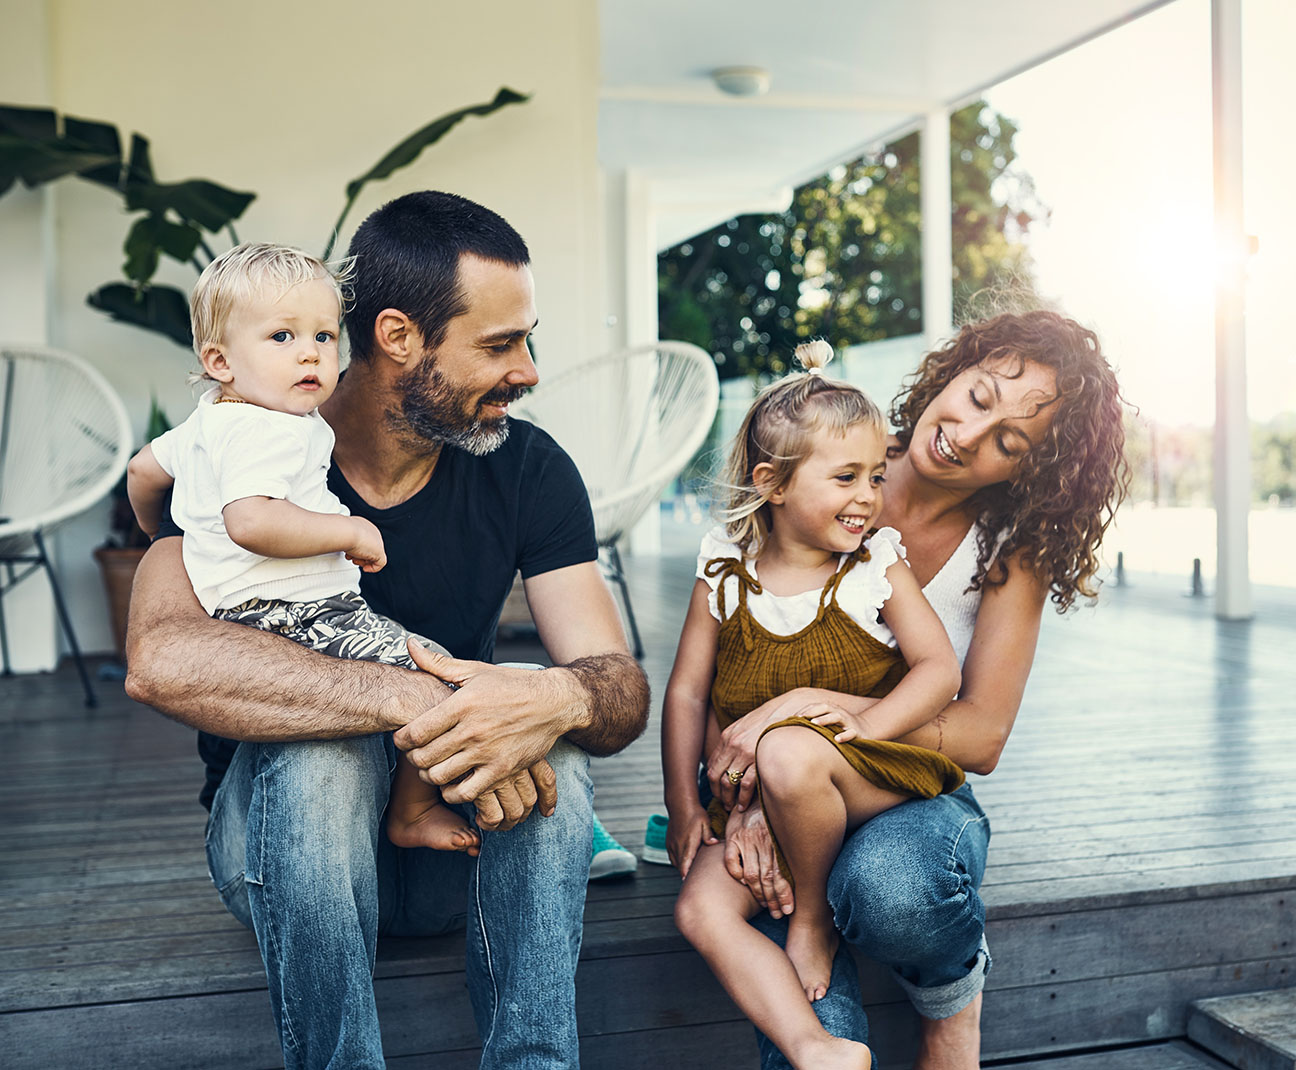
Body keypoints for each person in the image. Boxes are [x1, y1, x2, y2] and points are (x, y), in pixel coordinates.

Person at [124, 191, 651, 1070]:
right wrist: (419, 697)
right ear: (401, 337)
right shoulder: (245, 440)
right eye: (499, 344)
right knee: (325, 753)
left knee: (545, 740)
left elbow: (617, 688)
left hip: (458, 842)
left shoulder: (526, 466)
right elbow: (162, 659)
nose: (526, 370)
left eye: (528, 340)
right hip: (280, 850)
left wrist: (551, 697)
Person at [696, 310, 1127, 1069]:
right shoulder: (824, 459)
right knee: (764, 886)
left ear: (1028, 469)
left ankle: (953, 997)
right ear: (957, 367)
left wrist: (802, 719)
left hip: (914, 788)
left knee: (890, 887)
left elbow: (982, 736)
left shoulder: (1007, 551)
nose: (967, 433)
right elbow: (715, 665)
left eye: (1008, 442)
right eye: (979, 395)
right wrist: (743, 799)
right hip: (781, 779)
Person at [664, 341, 965, 1069]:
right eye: (845, 478)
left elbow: (938, 670)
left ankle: (812, 919)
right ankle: (816, 1047)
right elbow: (687, 690)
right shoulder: (725, 569)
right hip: (758, 785)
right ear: (772, 483)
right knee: (700, 910)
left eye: (875, 476)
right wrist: (683, 804)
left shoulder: (875, 567)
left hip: (865, 772)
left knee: (791, 750)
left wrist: (861, 726)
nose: (867, 496)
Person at [128, 242, 481, 856]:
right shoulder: (266, 429)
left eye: (323, 335)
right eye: (282, 337)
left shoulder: (209, 420)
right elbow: (252, 522)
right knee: (437, 674)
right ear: (220, 359)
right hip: (297, 611)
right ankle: (412, 810)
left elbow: (140, 472)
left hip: (246, 615)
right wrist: (351, 531)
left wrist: (155, 529)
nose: (310, 353)